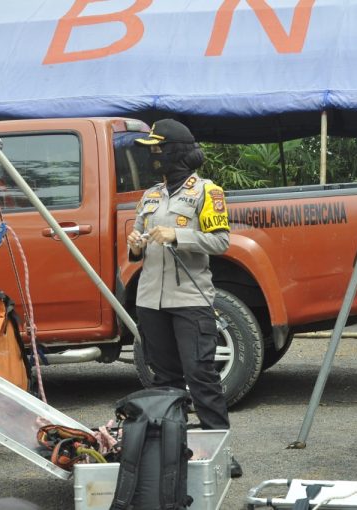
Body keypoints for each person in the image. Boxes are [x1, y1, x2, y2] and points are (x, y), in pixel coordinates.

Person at [127, 118, 242, 478]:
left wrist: (179, 236)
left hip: (190, 298)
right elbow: (137, 246)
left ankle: (221, 455)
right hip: (151, 300)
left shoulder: (208, 192)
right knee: (164, 380)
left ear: (174, 151)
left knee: (202, 377)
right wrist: (134, 246)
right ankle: (173, 452)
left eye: (157, 149)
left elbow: (221, 242)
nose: (153, 155)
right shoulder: (149, 196)